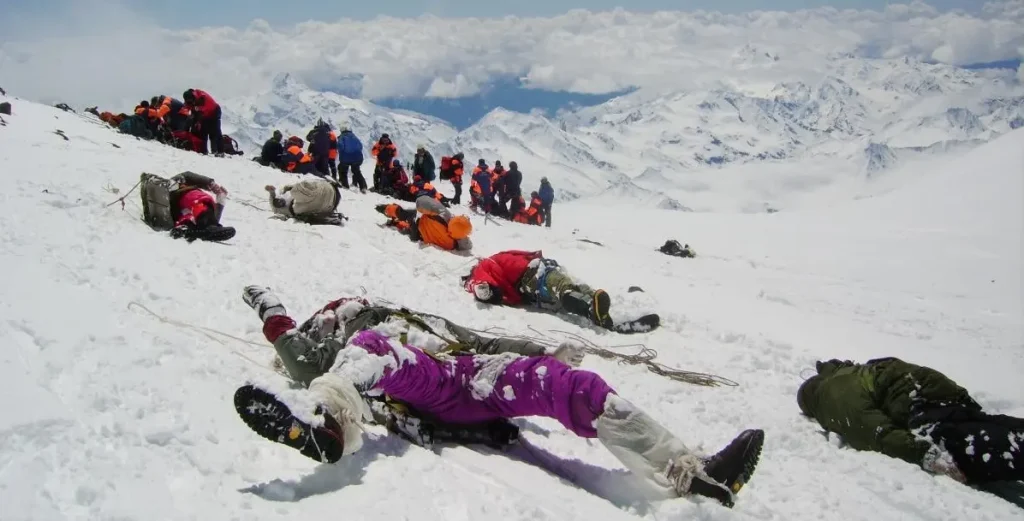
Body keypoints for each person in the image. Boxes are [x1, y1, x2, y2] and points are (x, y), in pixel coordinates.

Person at [234, 287, 764, 508]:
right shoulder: (342, 342)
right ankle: (329, 429)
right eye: (340, 310)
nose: (348, 308)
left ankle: (690, 471)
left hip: (469, 373)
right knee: (376, 349)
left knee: (576, 388)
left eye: (351, 305)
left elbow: (481, 342)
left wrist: (539, 354)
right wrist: (269, 305)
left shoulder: (411, 317)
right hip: (423, 386)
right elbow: (295, 353)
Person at [798, 357, 1024, 485]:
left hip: (918, 403)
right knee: (984, 424)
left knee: (969, 444)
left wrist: (925, 453)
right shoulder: (851, 372)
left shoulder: (832, 393)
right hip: (933, 389)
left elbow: (874, 432)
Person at [463, 250, 613, 328]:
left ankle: (594, 302)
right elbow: (483, 289)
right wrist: (483, 289)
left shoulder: (491, 259)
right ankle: (590, 309)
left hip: (535, 268)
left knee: (566, 283)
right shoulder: (479, 271)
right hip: (528, 277)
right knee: (560, 286)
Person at [139, 171, 235, 242]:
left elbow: (213, 221)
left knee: (193, 216)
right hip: (186, 198)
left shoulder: (171, 194)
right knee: (202, 202)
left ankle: (188, 229)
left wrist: (220, 200)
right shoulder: (175, 183)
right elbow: (188, 175)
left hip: (180, 213)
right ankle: (198, 228)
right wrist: (211, 184)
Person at [376, 196, 472, 252]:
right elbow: (467, 245)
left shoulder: (444, 215)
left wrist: (420, 210)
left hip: (418, 222)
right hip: (418, 234)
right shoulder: (451, 244)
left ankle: (386, 209)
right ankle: (396, 222)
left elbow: (421, 200)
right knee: (406, 225)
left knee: (403, 213)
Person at [265, 178, 344, 225]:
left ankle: (326, 190)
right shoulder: (283, 210)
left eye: (278, 200)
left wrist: (272, 193)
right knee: (301, 194)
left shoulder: (286, 194)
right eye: (278, 203)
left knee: (303, 191)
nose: (280, 202)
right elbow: (274, 207)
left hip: (330, 198)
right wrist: (271, 193)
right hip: (329, 196)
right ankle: (327, 190)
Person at [182, 88, 223, 156]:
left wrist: (197, 120)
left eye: (191, 101)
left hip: (214, 112)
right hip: (201, 113)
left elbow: (203, 112)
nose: (190, 103)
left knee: (215, 132)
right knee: (201, 132)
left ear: (193, 98)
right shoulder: (191, 100)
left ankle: (218, 151)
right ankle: (202, 150)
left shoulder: (203, 98)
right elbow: (186, 108)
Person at [337, 126, 366, 192]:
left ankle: (345, 185)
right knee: (356, 171)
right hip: (358, 158)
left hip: (346, 158)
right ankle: (363, 186)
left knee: (342, 170)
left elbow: (340, 146)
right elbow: (360, 146)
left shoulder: (342, 137)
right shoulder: (354, 137)